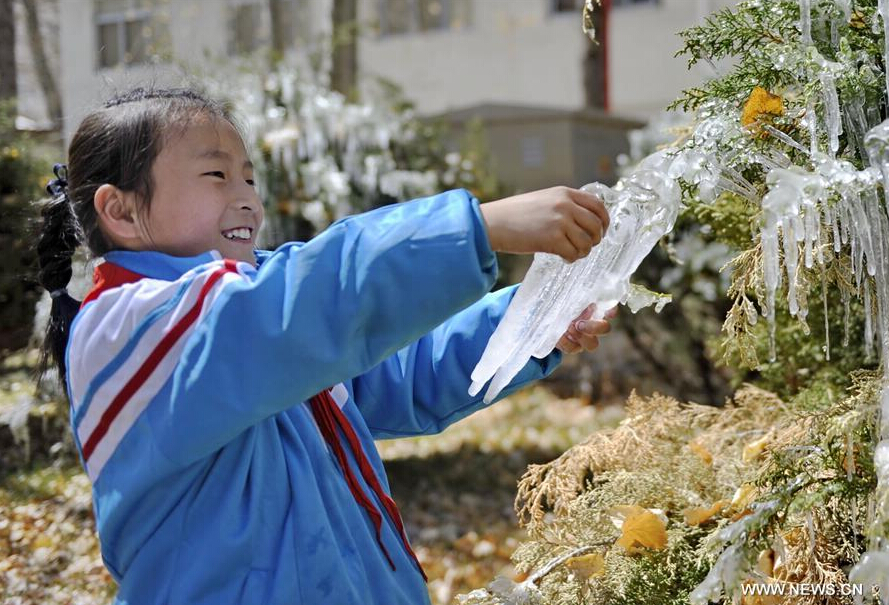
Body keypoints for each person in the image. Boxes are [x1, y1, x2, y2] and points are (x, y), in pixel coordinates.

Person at [35, 87, 615, 605]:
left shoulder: (258, 312)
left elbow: (398, 375)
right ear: (122, 211)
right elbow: (307, 302)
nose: (246, 199)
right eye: (216, 176)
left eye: (249, 177)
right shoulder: (130, 327)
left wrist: (531, 322)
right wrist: (478, 226)